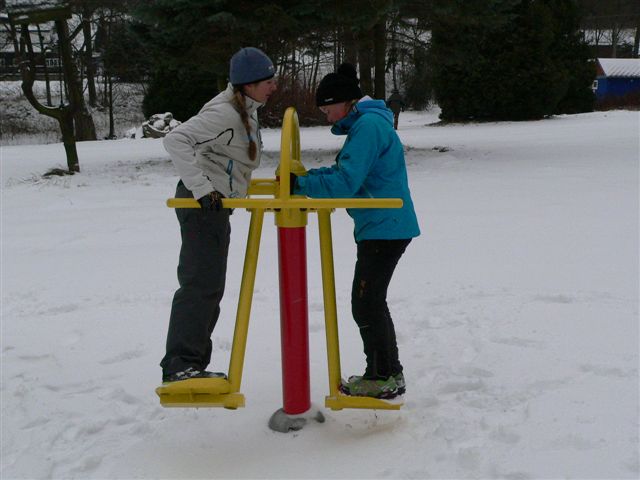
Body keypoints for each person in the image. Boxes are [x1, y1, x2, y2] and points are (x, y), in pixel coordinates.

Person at [292, 64, 420, 399]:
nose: (326, 117)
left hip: (385, 226)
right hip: (383, 223)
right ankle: (387, 372)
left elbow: (345, 183)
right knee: (370, 301)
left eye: (327, 109)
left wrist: (300, 185)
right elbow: (345, 171)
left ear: (344, 101)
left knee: (365, 303)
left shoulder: (368, 127)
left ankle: (382, 376)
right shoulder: (367, 123)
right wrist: (307, 178)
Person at [160, 47, 277, 383]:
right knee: (200, 285)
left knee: (210, 286)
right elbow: (176, 140)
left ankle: (191, 364)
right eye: (268, 81)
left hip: (214, 204)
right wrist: (202, 188)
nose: (273, 87)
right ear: (249, 84)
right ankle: (180, 365)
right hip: (202, 205)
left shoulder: (245, 109)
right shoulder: (226, 113)